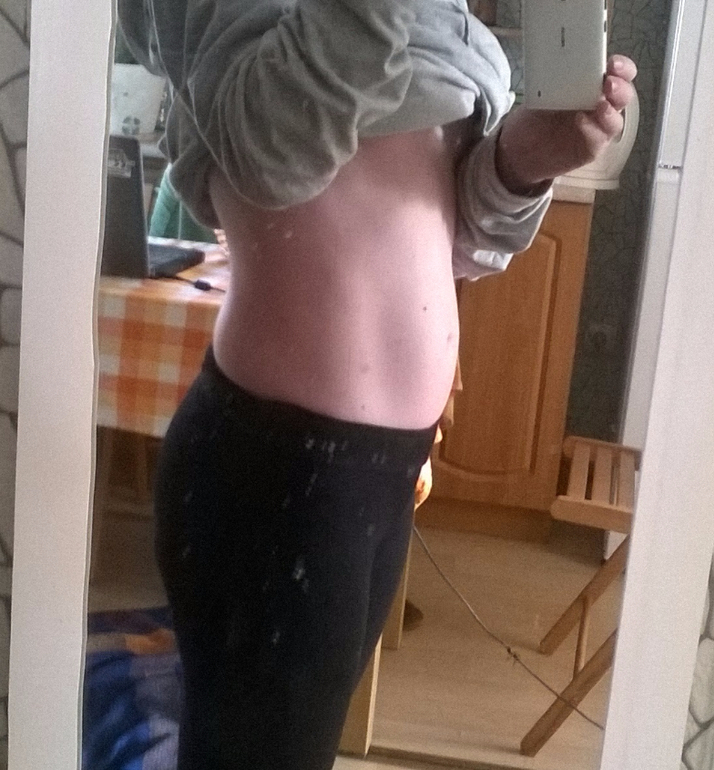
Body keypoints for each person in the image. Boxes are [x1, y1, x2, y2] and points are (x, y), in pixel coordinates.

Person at [118, 1, 636, 768]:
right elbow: (276, 159)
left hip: (374, 470)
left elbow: (449, 236)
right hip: (278, 470)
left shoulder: (441, 22)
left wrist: (524, 159)